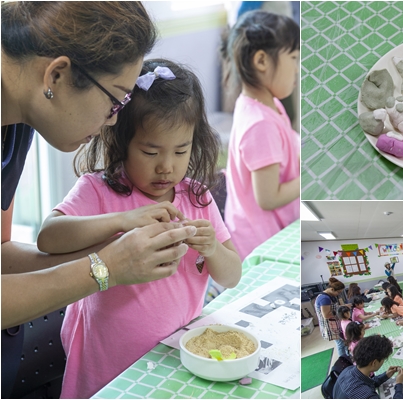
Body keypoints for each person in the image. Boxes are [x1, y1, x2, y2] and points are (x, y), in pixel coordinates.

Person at [1, 3, 197, 396]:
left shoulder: (16, 124)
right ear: (57, 74)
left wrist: (115, 246)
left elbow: (2, 254)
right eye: (116, 100)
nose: (112, 120)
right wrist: (105, 267)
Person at [36, 59, 242, 398]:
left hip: (177, 353)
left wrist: (213, 249)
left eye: (180, 150)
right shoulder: (99, 190)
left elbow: (232, 276)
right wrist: (122, 220)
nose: (166, 165)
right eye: (150, 151)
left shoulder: (196, 196)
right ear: (121, 141)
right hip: (108, 359)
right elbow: (49, 236)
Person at [221, 10, 300, 260]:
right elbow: (267, 197)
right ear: (262, 60)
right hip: (260, 244)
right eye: (294, 58)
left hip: (263, 231)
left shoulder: (265, 104)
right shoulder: (259, 125)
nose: (298, 69)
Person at [333, 335, 403, 399]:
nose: (383, 361)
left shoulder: (348, 370)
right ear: (374, 363)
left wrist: (386, 375)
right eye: (383, 359)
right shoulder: (368, 396)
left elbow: (368, 383)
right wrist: (399, 384)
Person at [315, 278, 348, 357]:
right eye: (338, 292)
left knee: (342, 342)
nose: (338, 294)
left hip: (335, 323)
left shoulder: (329, 296)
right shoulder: (324, 298)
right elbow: (326, 315)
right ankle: (343, 361)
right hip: (330, 326)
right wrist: (341, 312)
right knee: (340, 344)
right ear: (332, 289)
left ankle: (346, 357)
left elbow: (333, 307)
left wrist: (343, 306)